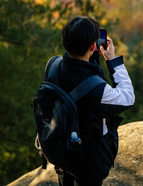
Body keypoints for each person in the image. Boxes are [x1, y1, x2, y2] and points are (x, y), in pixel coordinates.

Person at [46, 16, 135, 186]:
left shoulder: (54, 65)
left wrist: (91, 55)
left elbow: (79, 75)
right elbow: (128, 97)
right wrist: (112, 61)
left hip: (63, 151)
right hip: (89, 162)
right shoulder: (98, 91)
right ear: (93, 46)